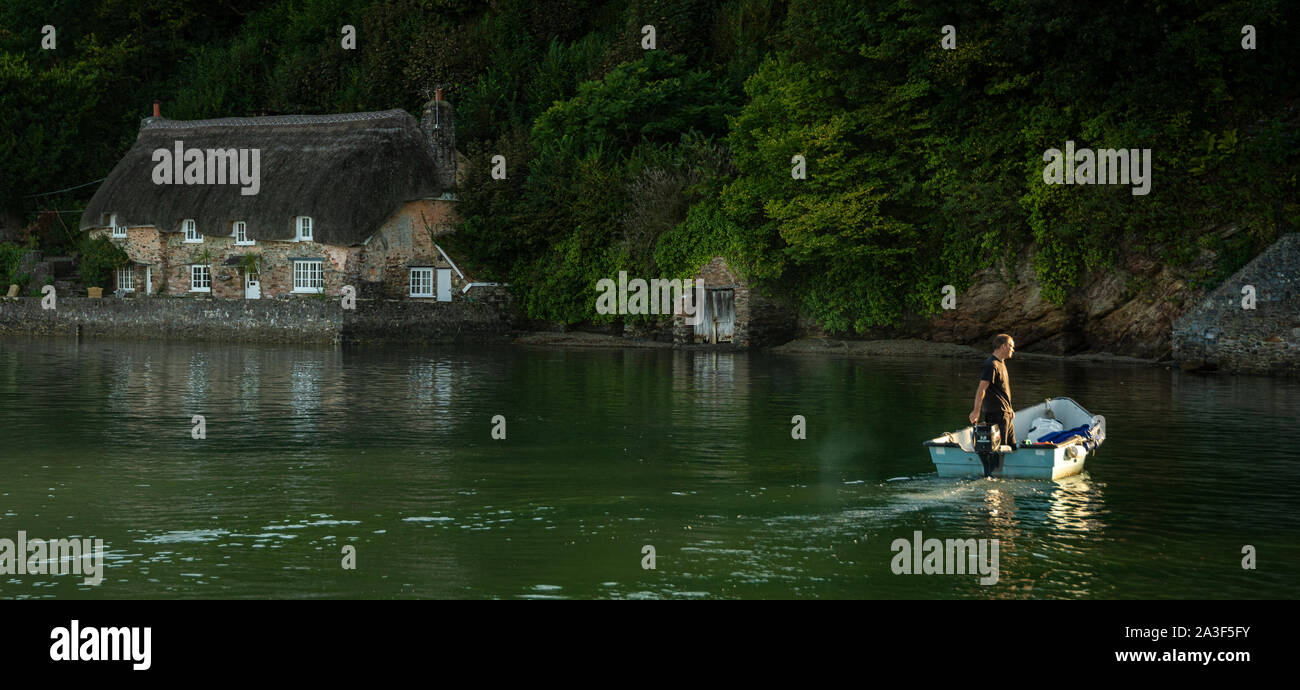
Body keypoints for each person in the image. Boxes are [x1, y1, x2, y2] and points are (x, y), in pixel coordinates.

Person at [968, 334, 1016, 454]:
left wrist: (1010, 409)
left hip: (1006, 413)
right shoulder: (991, 365)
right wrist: (976, 411)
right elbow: (981, 389)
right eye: (1011, 346)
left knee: (1012, 447)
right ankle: (996, 471)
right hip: (997, 414)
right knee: (1000, 449)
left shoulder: (1001, 363)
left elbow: (1002, 391)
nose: (1013, 350)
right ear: (1004, 346)